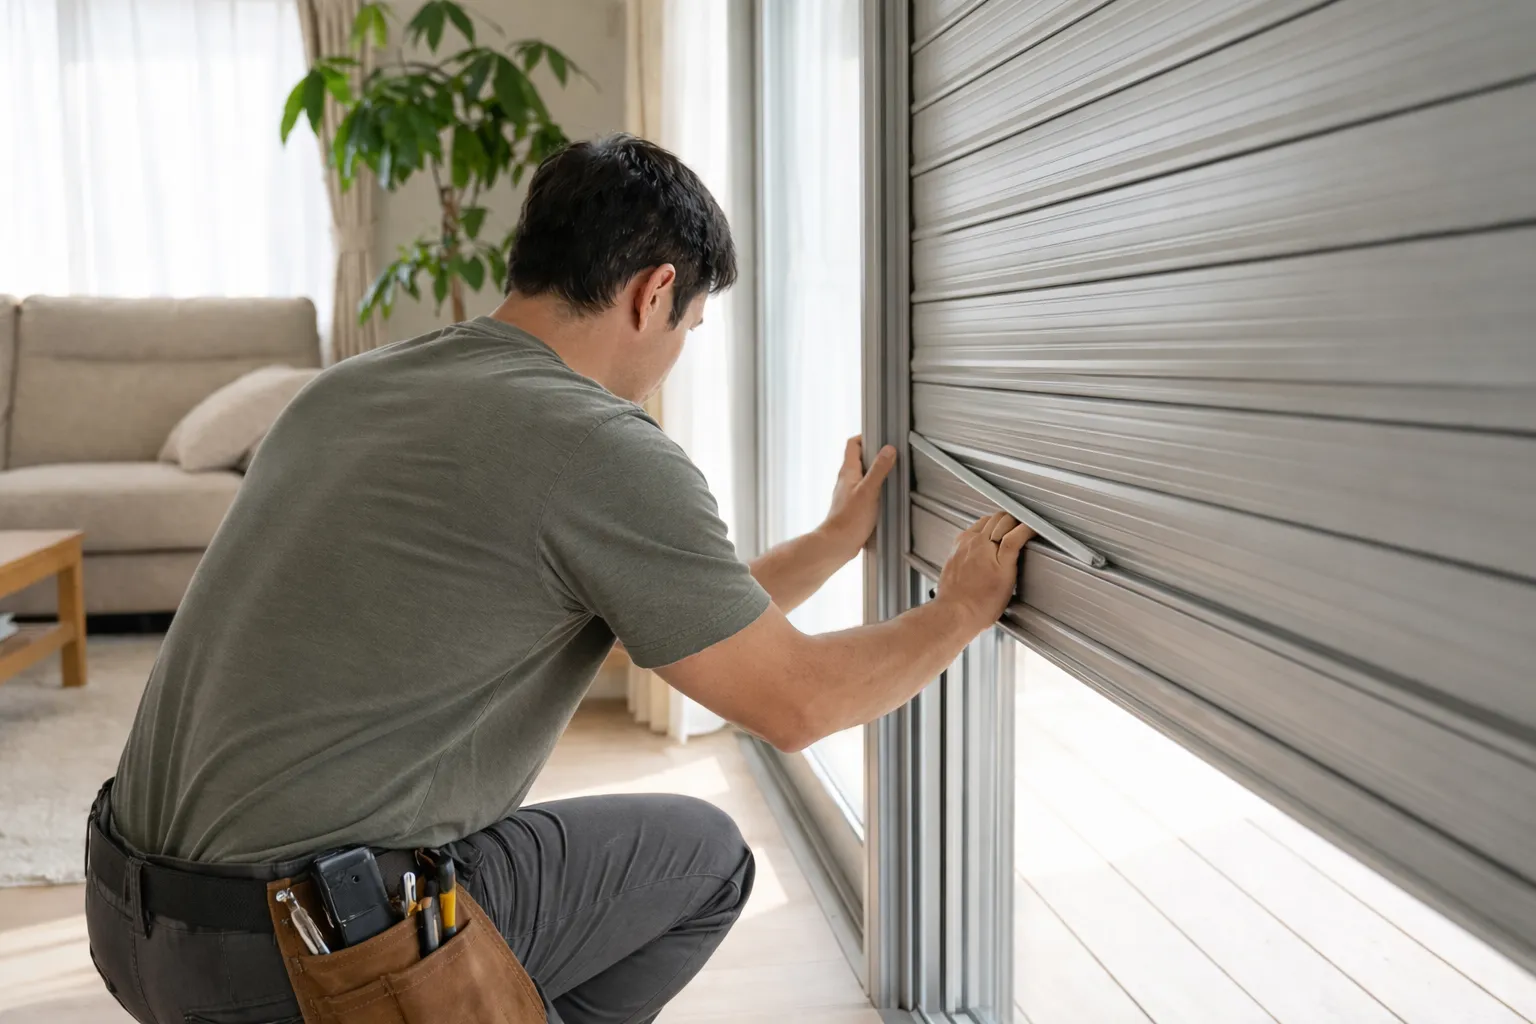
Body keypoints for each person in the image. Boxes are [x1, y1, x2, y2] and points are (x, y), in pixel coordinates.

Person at [85, 133, 1032, 1024]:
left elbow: (648, 622)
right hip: (296, 958)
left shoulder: (352, 389)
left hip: (131, 922)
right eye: (692, 325)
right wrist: (959, 612)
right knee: (703, 860)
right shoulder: (595, 444)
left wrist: (831, 541)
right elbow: (798, 704)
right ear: (653, 293)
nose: (674, 358)